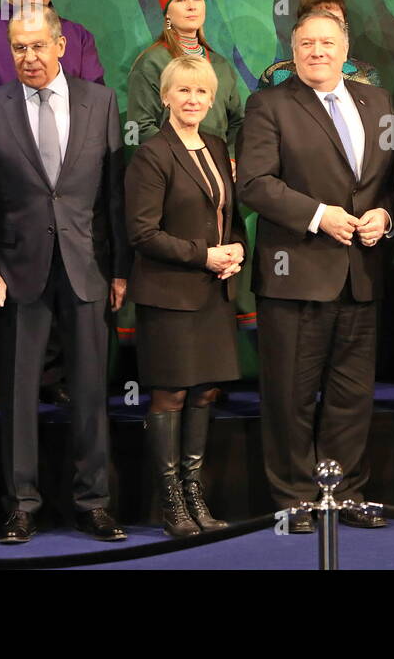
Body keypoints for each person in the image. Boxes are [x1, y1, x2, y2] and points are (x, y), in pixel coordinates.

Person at [0, 6, 131, 543]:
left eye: (38, 46)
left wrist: (120, 270)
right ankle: (20, 504)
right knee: (18, 396)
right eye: (18, 48)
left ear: (61, 46)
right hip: (17, 271)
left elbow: (113, 198)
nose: (28, 57)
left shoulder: (101, 102)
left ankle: (94, 502)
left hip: (88, 269)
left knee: (88, 392)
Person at [237, 9, 394, 534]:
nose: (317, 52)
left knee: (352, 396)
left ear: (346, 49)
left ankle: (345, 491)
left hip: (363, 274)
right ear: (293, 50)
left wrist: (385, 214)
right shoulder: (268, 105)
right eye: (306, 44)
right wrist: (318, 216)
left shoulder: (377, 103)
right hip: (296, 276)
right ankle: (294, 498)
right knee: (290, 395)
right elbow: (255, 184)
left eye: (327, 42)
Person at [0, 0, 106, 412]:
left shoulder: (74, 34)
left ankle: (54, 375)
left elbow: (91, 97)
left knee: (61, 280)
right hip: (4, 175)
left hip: (65, 182)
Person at [126, 56, 246, 536]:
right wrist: (204, 255)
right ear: (166, 97)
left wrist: (236, 247)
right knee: (172, 392)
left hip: (214, 294)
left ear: (211, 99)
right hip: (169, 295)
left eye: (200, 92)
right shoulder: (152, 154)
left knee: (205, 390)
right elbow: (142, 232)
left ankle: (195, 491)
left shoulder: (217, 147)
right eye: (183, 91)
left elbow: (229, 217)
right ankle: (171, 498)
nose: (192, 100)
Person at [127, 0, 244, 146]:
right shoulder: (153, 62)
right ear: (167, 13)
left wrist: (230, 158)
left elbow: (238, 122)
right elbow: (141, 126)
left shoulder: (221, 65)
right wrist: (186, 158)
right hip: (171, 167)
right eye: (181, 0)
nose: (191, 6)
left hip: (218, 168)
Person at [258, 0, 382, 89]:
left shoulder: (365, 75)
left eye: (337, 21)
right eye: (321, 20)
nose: (329, 28)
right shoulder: (276, 75)